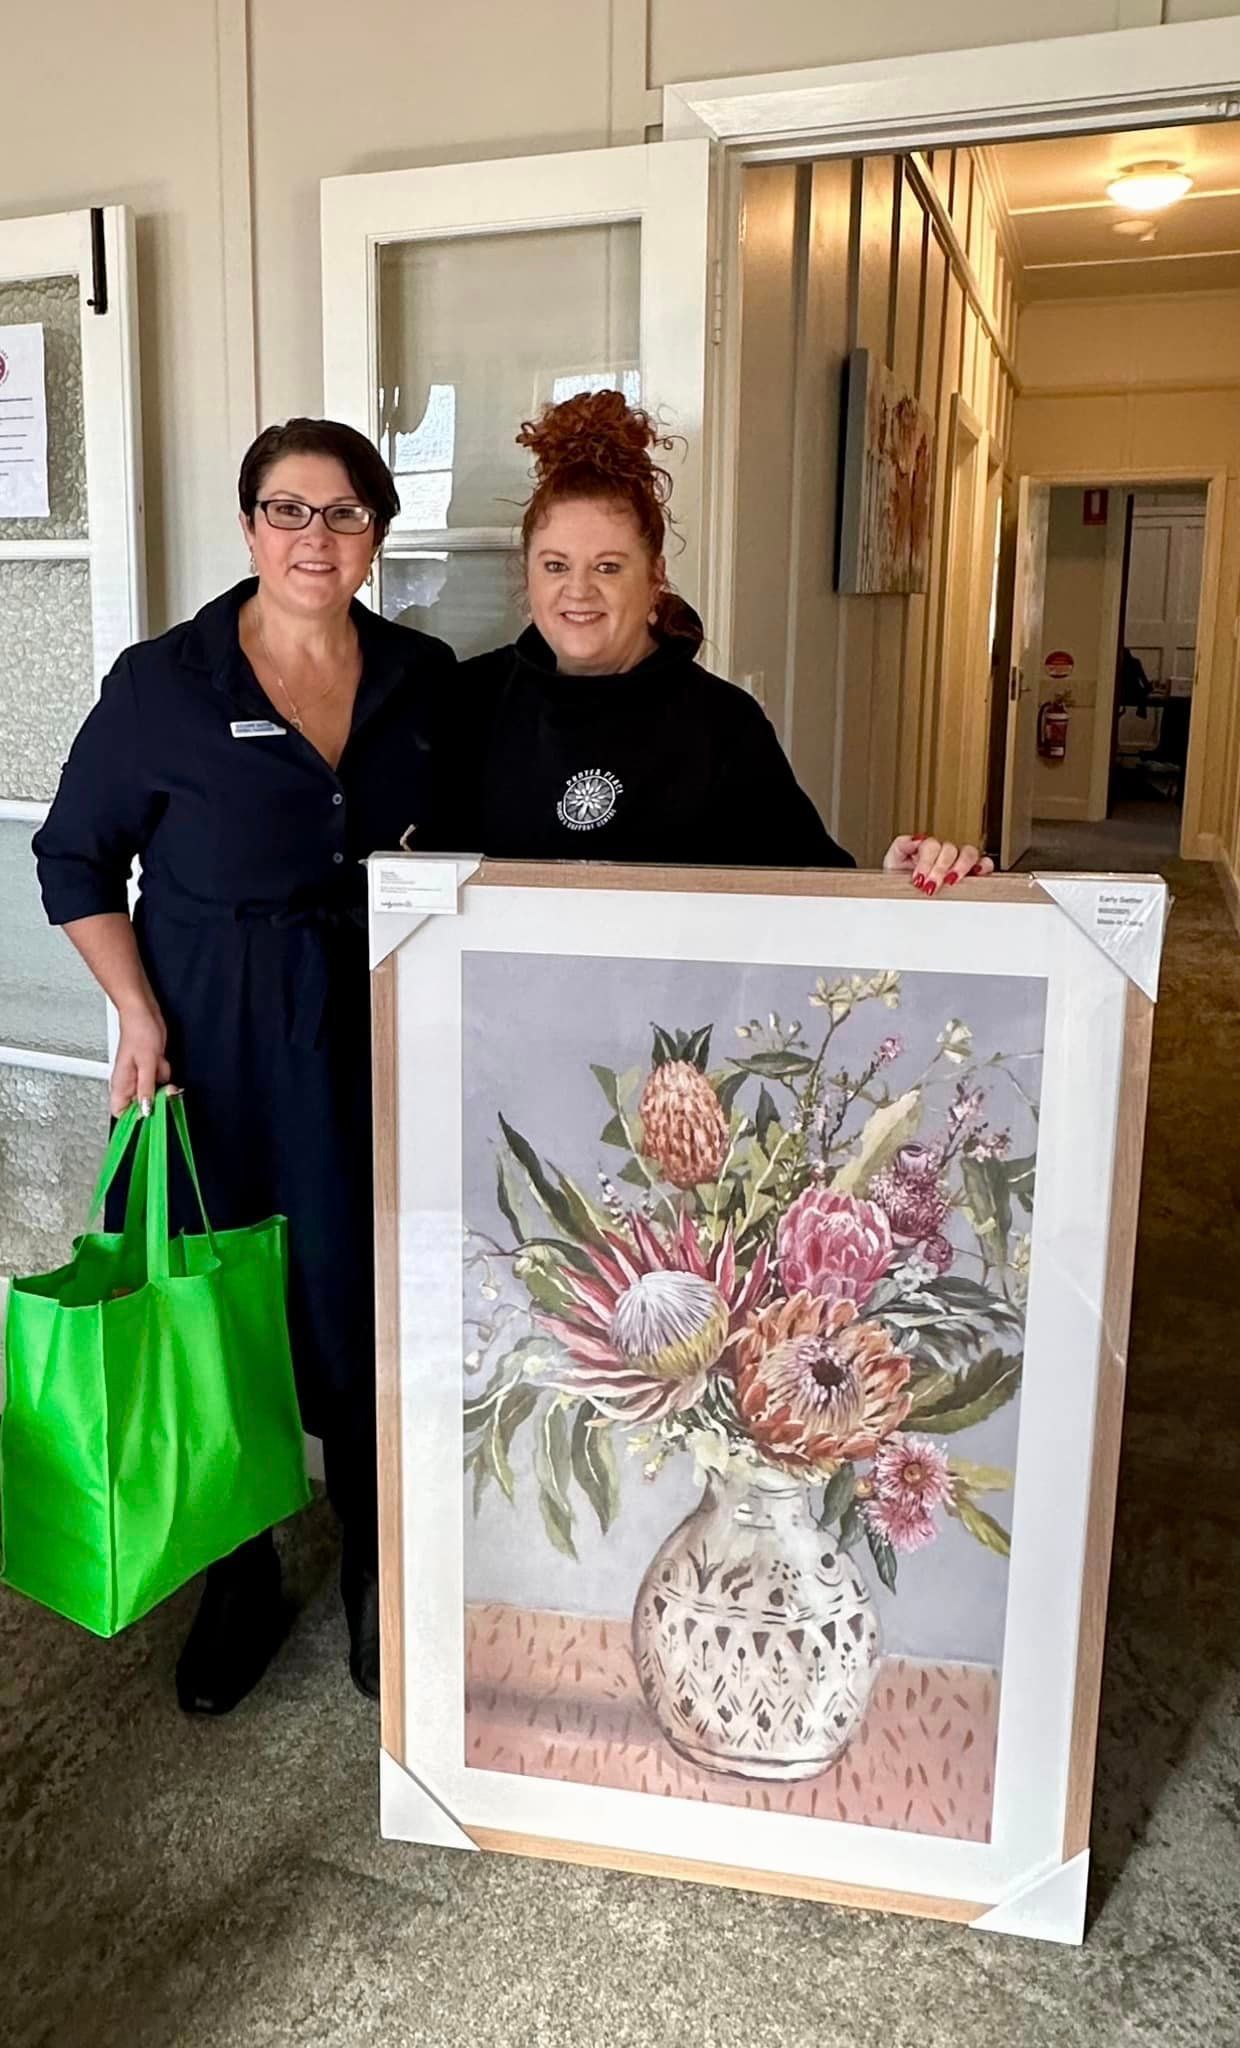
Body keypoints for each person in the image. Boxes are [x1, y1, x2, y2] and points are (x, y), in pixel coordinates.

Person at [33, 418, 457, 1713]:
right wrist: (138, 1017)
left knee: (377, 1302)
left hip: (385, 1032)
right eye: (287, 511)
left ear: (375, 533)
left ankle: (383, 1568)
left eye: (341, 515)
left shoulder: (429, 677)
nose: (312, 539)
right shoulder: (165, 683)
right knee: (214, 1309)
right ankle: (242, 1575)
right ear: (249, 525)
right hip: (213, 1045)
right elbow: (74, 860)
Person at [452, 388, 993, 891]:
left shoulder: (722, 725)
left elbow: (813, 888)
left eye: (609, 567)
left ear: (655, 577)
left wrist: (894, 881)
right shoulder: (470, 701)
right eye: (555, 565)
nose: (579, 590)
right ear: (528, 575)